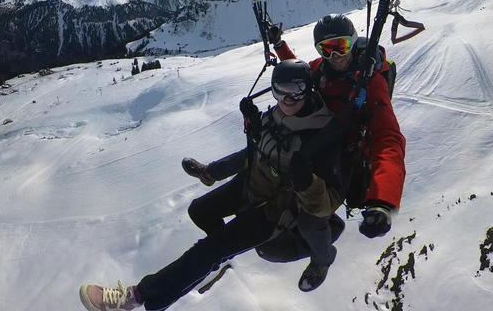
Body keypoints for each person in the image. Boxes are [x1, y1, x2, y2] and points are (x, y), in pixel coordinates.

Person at [79, 60, 343, 311]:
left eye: (295, 91)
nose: (286, 99)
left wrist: (307, 182)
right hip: (252, 186)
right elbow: (253, 154)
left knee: (210, 249)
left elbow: (328, 203)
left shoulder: (321, 136)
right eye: (279, 90)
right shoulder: (276, 116)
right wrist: (222, 163)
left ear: (308, 90)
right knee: (199, 211)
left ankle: (135, 297)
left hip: (274, 211)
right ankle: (211, 256)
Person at [184, 13, 406, 240]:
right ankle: (209, 173)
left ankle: (321, 257)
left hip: (342, 150)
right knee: (263, 150)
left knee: (310, 221)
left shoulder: (371, 83)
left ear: (352, 40)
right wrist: (279, 45)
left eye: (340, 46)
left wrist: (383, 202)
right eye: (325, 49)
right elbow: (301, 72)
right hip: (314, 129)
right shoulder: (322, 68)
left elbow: (388, 139)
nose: (335, 56)